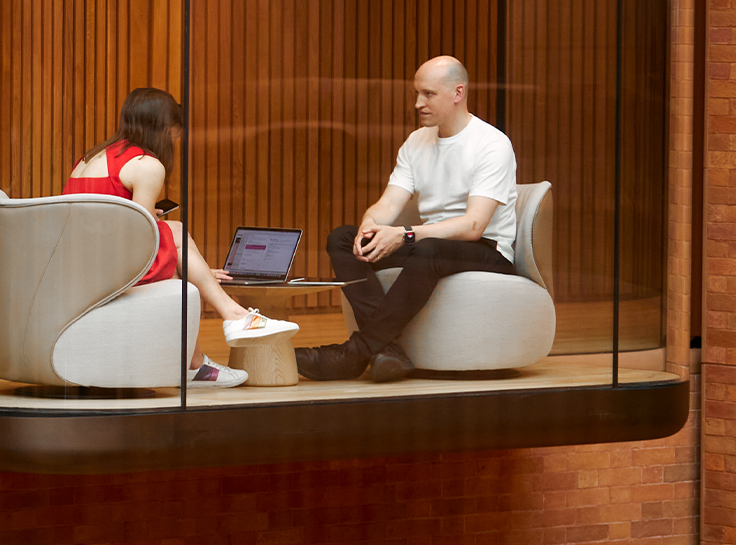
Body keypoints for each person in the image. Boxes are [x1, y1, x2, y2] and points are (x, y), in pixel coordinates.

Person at [295, 56, 522, 383]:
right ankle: (386, 351)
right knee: (342, 240)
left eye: (428, 94)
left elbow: (474, 226)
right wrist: (369, 227)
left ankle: (353, 354)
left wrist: (405, 234)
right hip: (428, 246)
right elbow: (387, 205)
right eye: (417, 93)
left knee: (427, 249)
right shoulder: (417, 141)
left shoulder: (492, 144)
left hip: (487, 252)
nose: (418, 103)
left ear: (458, 93)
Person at [63, 87, 296, 389]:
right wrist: (190, 267)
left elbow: (106, 222)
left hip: (79, 266)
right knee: (174, 232)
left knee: (175, 249)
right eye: (175, 134)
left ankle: (197, 362)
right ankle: (232, 317)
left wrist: (194, 270)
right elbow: (141, 238)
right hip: (113, 270)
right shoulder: (147, 165)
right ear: (165, 127)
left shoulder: (89, 158)